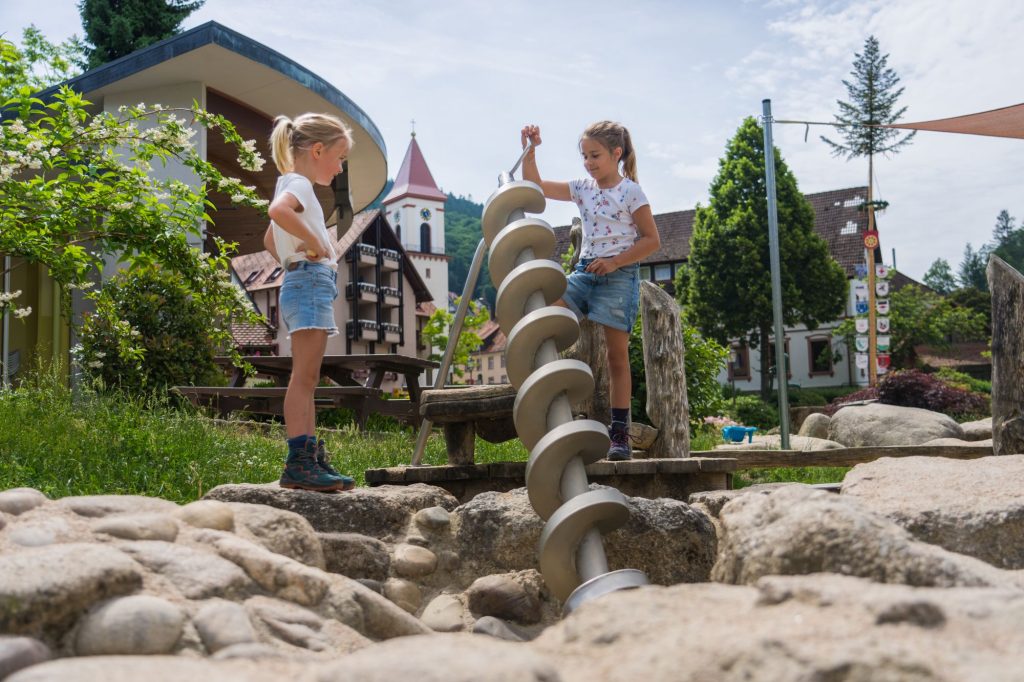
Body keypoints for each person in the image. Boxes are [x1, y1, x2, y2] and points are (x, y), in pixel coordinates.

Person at [520, 121, 661, 460]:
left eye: (595, 155)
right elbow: (535, 186)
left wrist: (614, 262)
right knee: (546, 324)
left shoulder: (631, 192)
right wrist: (530, 149)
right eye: (584, 156)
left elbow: (652, 241)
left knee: (616, 358)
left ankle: (619, 435)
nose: (589, 163)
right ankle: (548, 405)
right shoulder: (582, 188)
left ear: (616, 153)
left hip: (618, 276)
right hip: (584, 273)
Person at [262, 113, 355, 492]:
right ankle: (299, 461)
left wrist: (292, 257)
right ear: (317, 150)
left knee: (308, 378)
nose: (341, 166)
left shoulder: (294, 184)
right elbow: (277, 213)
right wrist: (317, 246)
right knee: (304, 379)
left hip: (307, 280)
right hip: (310, 282)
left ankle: (309, 457)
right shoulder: (298, 184)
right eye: (340, 156)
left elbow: (271, 240)